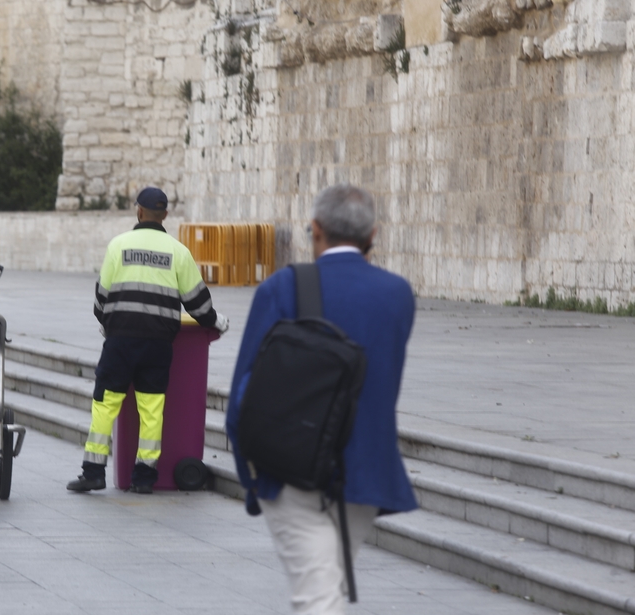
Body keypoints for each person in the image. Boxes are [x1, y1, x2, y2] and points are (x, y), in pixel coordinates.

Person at [225, 184, 417, 614]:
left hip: (288, 469)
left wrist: (252, 475)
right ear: (374, 235)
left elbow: (243, 395)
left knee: (317, 596)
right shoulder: (398, 295)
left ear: (315, 230)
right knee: (327, 587)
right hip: (363, 472)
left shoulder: (280, 289)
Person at [67, 187, 230, 495]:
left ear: (138, 211)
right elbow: (198, 304)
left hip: (121, 341)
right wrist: (218, 323)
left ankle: (93, 473)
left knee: (106, 403)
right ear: (165, 215)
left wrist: (109, 326)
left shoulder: (119, 246)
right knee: (152, 408)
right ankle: (144, 477)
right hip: (158, 343)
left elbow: (101, 299)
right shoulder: (178, 251)